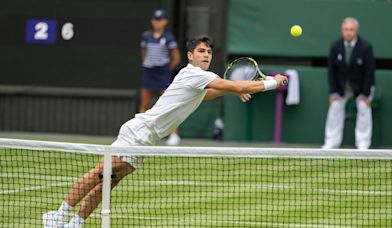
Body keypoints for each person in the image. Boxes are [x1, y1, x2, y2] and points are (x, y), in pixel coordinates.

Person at [43, 35, 288, 228]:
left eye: (209, 52)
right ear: (190, 56)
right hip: (139, 130)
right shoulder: (193, 73)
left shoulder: (199, 81)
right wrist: (271, 83)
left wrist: (234, 90)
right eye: (201, 51)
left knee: (109, 183)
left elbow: (210, 94)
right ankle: (57, 215)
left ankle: (75, 223)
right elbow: (234, 84)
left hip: (149, 139)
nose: (206, 55)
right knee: (100, 172)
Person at [322, 17, 375, 150]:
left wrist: (365, 94)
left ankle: (363, 143)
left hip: (361, 87)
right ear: (342, 30)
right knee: (334, 108)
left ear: (356, 31)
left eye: (351, 29)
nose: (348, 32)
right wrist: (333, 92)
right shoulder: (335, 46)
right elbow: (331, 71)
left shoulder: (366, 47)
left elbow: (370, 72)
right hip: (341, 87)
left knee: (364, 108)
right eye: (346, 29)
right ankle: (331, 141)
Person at [140, 9, 182, 146]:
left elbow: (176, 58)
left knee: (168, 105)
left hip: (163, 73)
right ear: (152, 21)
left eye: (160, 20)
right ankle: (141, 133)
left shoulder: (169, 38)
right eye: (155, 19)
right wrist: (148, 63)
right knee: (145, 104)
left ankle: (174, 135)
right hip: (149, 72)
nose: (157, 22)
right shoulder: (146, 36)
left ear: (165, 22)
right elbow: (144, 52)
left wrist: (166, 70)